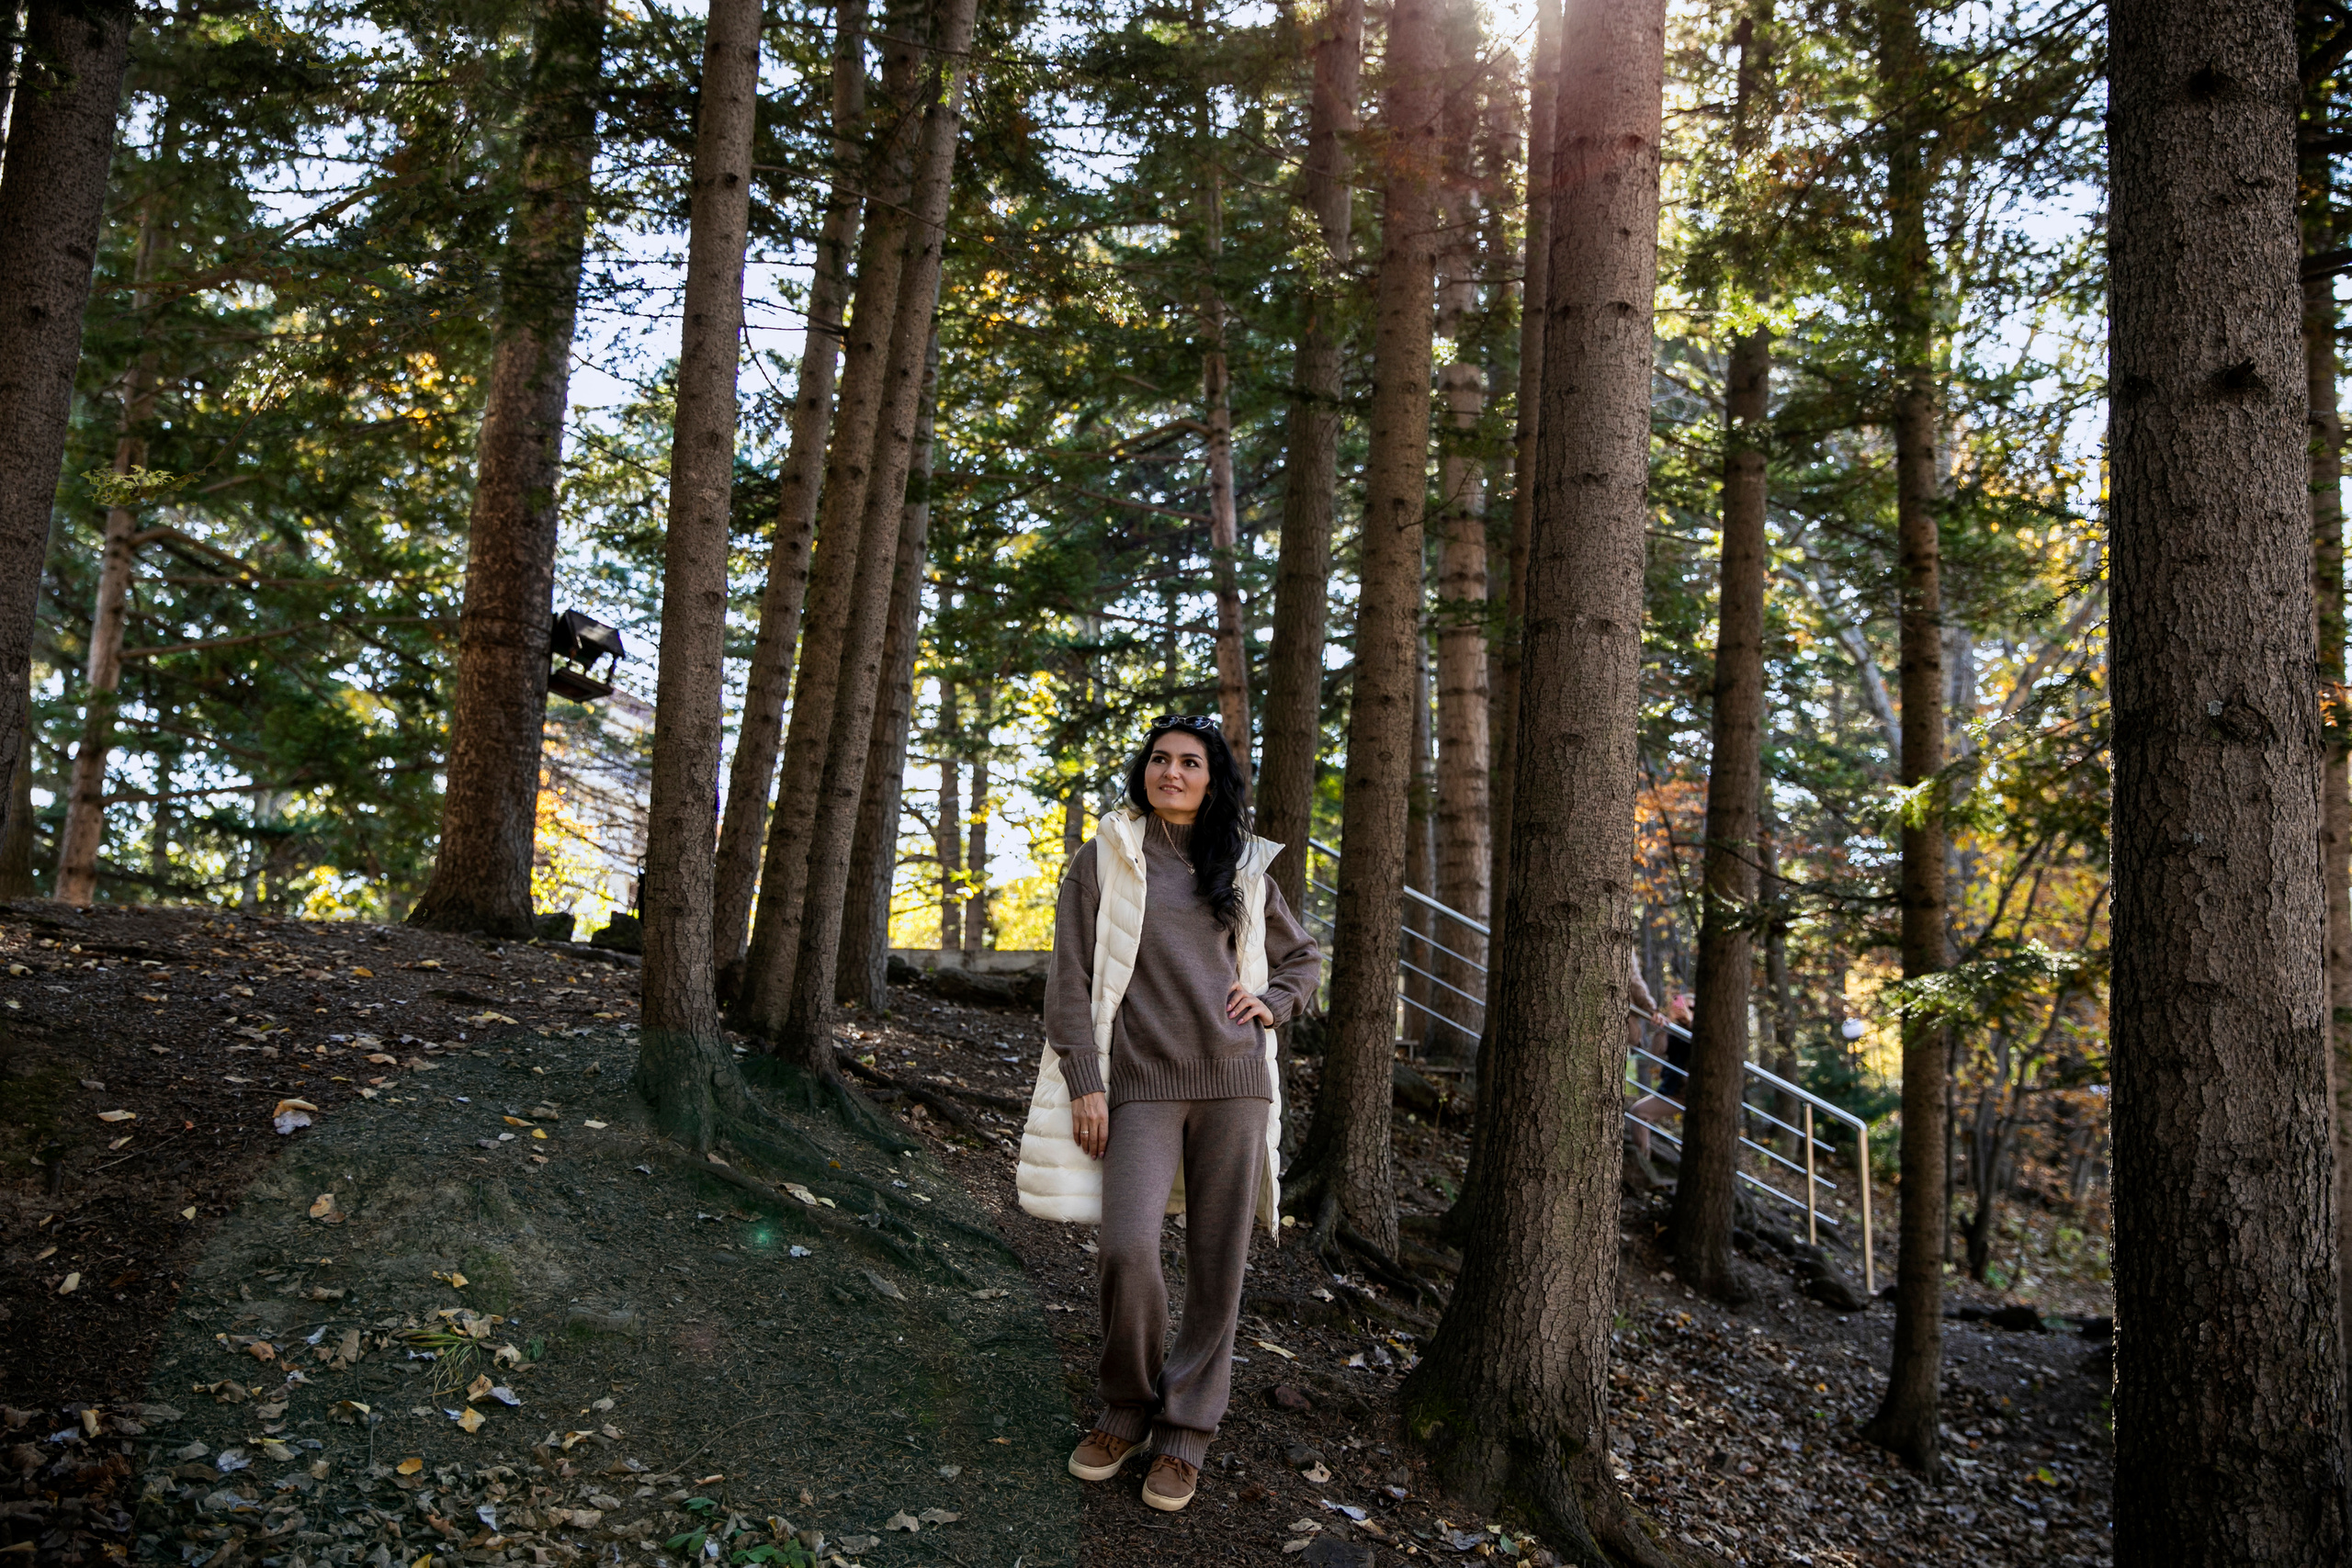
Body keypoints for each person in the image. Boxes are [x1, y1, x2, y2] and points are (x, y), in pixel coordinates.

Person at [1014, 716, 1321, 1513]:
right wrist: (1087, 1078)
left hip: (1234, 1082)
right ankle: (1125, 1403)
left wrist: (1273, 1002)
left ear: (1212, 778)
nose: (1172, 772)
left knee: (1219, 1266)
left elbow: (1303, 958)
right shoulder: (1106, 856)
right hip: (1141, 1084)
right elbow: (1068, 981)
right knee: (1126, 1249)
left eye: (1190, 762)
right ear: (1143, 770)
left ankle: (1185, 1432)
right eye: (1160, 759)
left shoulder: (1246, 866)